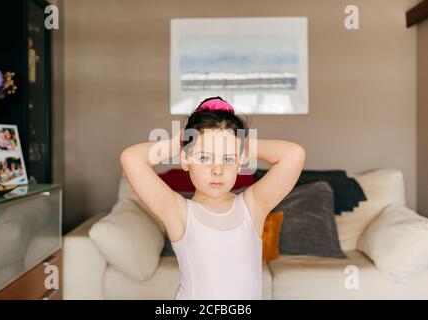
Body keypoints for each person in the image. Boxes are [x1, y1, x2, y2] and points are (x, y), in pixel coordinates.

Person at [120, 97, 306, 300]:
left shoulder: (252, 207)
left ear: (240, 161)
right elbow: (131, 158)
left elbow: (294, 155)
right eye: (204, 157)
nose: (217, 169)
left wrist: (238, 141)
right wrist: (179, 143)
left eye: (227, 159)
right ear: (185, 160)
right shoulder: (177, 211)